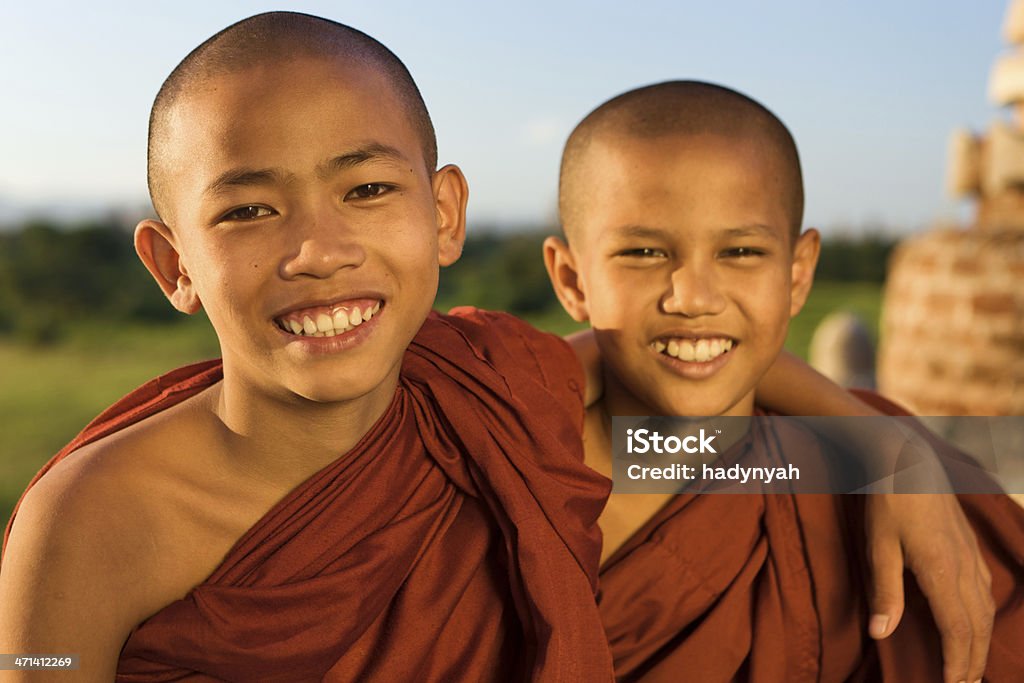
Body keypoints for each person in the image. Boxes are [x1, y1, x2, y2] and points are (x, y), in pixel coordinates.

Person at [0, 13, 616, 681]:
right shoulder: (87, 522)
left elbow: (700, 441)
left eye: (368, 189)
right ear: (175, 265)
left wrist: (748, 458)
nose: (319, 252)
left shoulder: (498, 397)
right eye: (248, 211)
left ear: (444, 215)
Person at [544, 80, 1024, 682]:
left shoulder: (854, 473)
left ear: (798, 274)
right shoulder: (505, 453)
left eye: (741, 252)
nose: (693, 298)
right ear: (570, 279)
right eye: (643, 253)